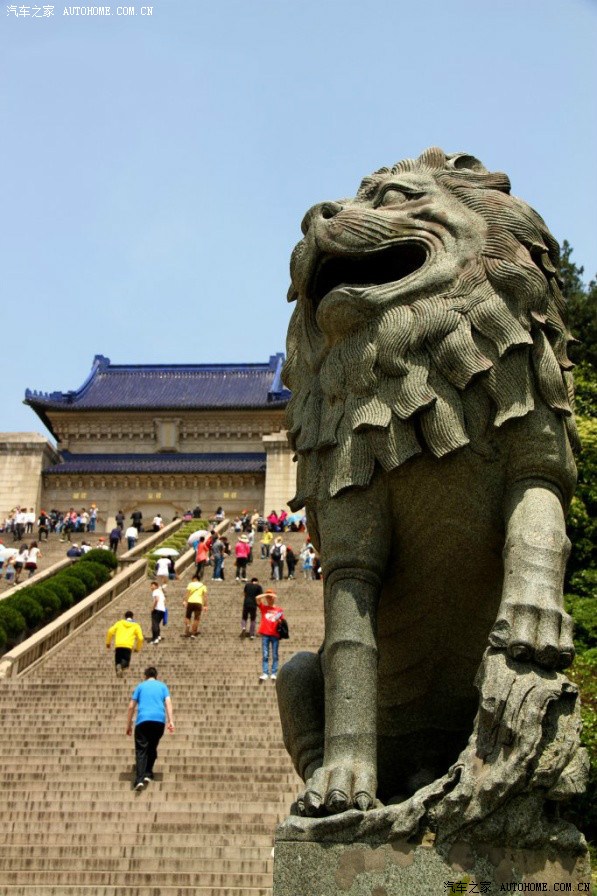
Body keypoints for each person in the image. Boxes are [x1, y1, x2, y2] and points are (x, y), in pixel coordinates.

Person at [126, 666, 174, 791]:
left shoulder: (140, 686)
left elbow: (131, 706)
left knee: (141, 750)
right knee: (152, 746)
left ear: (145, 676)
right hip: (159, 721)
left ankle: (139, 779)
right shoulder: (162, 686)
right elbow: (168, 703)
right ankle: (148, 773)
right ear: (156, 676)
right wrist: (171, 721)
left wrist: (129, 724)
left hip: (143, 721)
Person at [256, 589, 285, 681]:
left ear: (274, 598)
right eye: (268, 597)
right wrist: (266, 595)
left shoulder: (279, 610)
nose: (269, 599)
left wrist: (279, 620)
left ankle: (274, 673)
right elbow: (257, 598)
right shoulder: (264, 608)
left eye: (270, 597)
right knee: (265, 654)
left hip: (275, 634)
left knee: (275, 654)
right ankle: (265, 673)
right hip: (265, 633)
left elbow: (282, 621)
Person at [106, 609, 144, 677]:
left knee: (118, 662)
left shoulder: (119, 623)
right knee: (126, 663)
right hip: (128, 646)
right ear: (132, 617)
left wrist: (108, 642)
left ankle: (119, 673)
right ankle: (120, 668)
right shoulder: (136, 625)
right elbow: (140, 638)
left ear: (125, 616)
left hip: (118, 645)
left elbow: (110, 631)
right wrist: (137, 648)